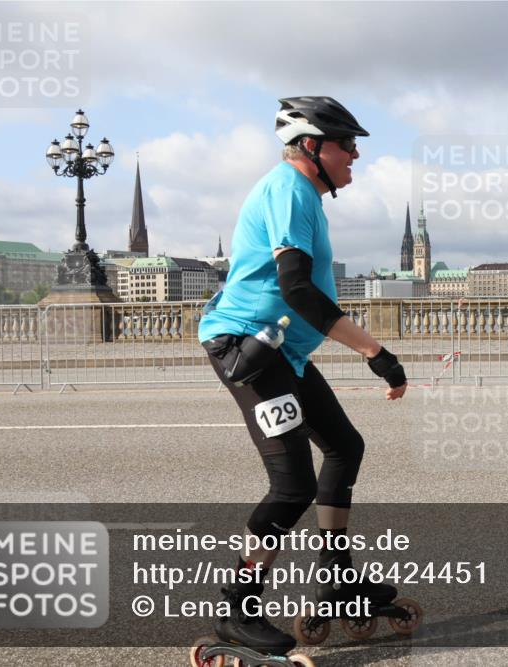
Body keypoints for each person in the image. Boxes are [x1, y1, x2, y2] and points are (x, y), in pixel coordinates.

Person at [198, 96, 408, 655]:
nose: (355, 155)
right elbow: (296, 289)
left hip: (282, 354)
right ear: (311, 147)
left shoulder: (305, 195)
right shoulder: (289, 188)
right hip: (247, 350)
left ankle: (337, 579)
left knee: (344, 446)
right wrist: (375, 352)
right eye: (347, 144)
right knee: (292, 486)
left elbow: (298, 292)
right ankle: (236, 610)